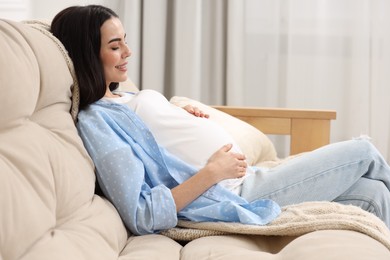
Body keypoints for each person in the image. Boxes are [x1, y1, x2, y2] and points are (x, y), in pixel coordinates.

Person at [51, 5, 390, 236]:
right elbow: (142, 214)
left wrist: (178, 115)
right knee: (363, 151)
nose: (128, 52)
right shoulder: (96, 121)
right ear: (86, 54)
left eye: (126, 41)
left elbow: (157, 144)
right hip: (233, 193)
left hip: (249, 178)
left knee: (373, 195)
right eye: (115, 46)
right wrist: (212, 171)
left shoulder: (121, 97)